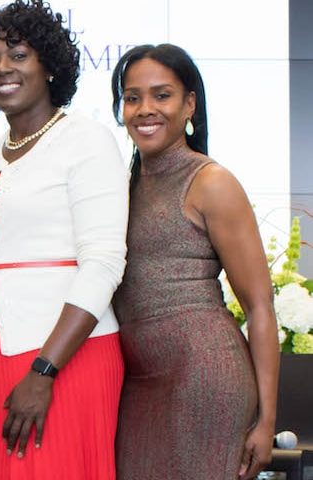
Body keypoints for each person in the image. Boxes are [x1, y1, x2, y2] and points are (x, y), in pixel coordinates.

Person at [0, 1, 129, 478]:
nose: (2, 69)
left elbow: (104, 263)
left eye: (18, 55)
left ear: (49, 64)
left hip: (62, 356)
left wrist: (44, 369)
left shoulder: (86, 139)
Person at [110, 43, 279, 480]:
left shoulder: (211, 182)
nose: (145, 109)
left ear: (189, 104)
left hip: (203, 377)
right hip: (137, 384)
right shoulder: (122, 186)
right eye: (132, 98)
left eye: (162, 95)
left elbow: (260, 305)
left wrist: (266, 420)